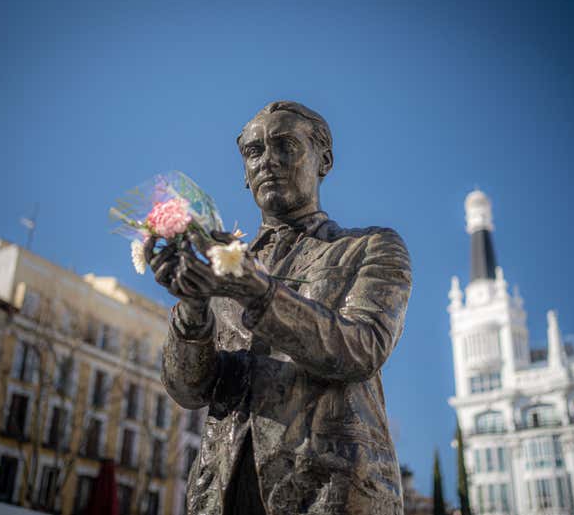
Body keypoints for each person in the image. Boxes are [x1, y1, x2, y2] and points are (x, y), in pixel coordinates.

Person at [146, 101, 412, 515]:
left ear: (324, 161)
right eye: (254, 152)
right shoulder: (223, 265)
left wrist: (261, 295)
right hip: (224, 492)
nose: (268, 160)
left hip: (329, 493)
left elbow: (361, 348)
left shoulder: (370, 247)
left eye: (285, 145)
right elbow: (189, 389)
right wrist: (193, 307)